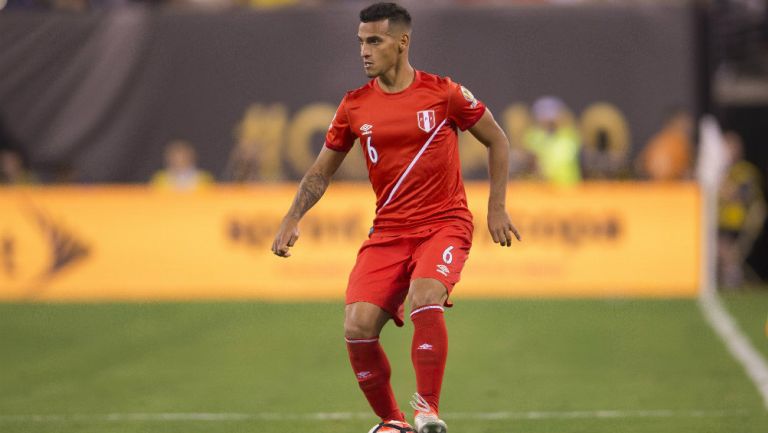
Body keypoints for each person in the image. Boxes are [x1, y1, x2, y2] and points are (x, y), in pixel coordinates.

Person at [271, 3, 520, 433]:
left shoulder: (444, 94)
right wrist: (293, 217)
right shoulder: (354, 106)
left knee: (426, 293)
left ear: (402, 43)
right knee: (357, 325)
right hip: (389, 231)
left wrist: (495, 207)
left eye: (374, 41)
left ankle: (427, 412)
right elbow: (320, 171)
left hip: (445, 222)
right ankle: (395, 422)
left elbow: (497, 139)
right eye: (360, 42)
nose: (364, 51)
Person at [717, 131, 766, 288]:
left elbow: (742, 194)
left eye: (732, 146)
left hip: (737, 223)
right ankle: (728, 275)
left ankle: (732, 276)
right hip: (718, 223)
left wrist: (721, 186)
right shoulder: (720, 172)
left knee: (728, 249)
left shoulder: (745, 170)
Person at [522, 96, 582, 186]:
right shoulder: (532, 137)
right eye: (544, 116)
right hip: (542, 189)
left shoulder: (570, 135)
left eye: (552, 116)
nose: (549, 121)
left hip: (569, 188)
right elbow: (531, 163)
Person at [635, 108, 694, 181]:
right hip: (666, 187)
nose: (688, 128)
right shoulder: (678, 143)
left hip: (653, 187)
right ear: (673, 123)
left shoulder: (657, 141)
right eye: (684, 123)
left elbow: (639, 165)